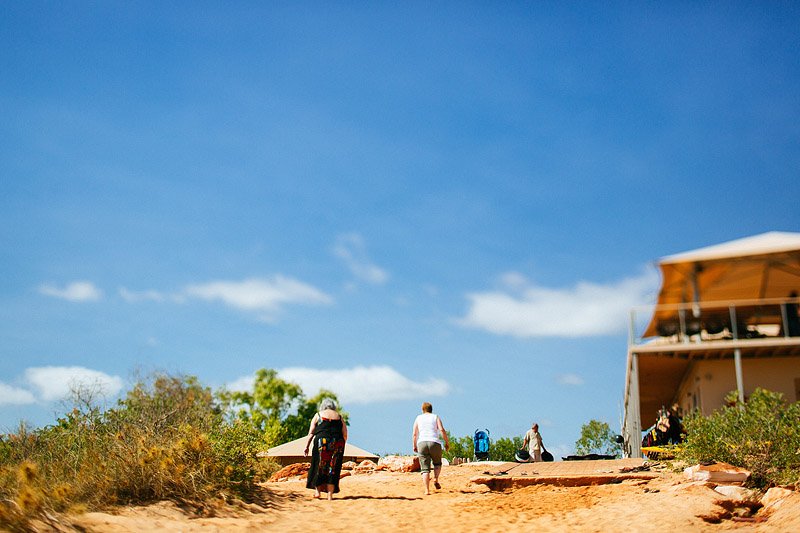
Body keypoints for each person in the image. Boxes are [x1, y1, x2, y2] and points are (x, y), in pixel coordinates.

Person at [304, 398, 347, 500]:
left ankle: (318, 492)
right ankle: (330, 495)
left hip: (322, 442)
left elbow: (311, 433)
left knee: (319, 466)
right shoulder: (339, 417)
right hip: (338, 442)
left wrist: (306, 446)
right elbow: (345, 434)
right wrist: (340, 444)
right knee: (333, 467)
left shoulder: (318, 415)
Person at [412, 402, 449, 496]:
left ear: (422, 409)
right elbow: (441, 430)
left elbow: (415, 434)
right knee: (437, 463)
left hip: (422, 442)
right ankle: (436, 478)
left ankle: (427, 490)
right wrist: (446, 442)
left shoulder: (418, 418)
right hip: (434, 442)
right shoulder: (435, 417)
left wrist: (414, 445)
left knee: (425, 469)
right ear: (431, 409)